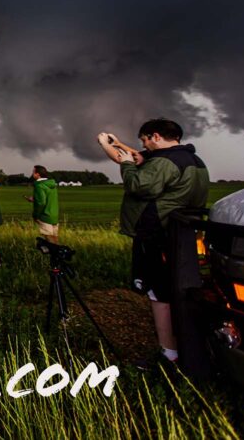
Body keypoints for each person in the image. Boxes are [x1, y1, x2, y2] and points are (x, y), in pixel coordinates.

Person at [97, 118, 210, 369]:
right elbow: (140, 157)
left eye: (145, 140)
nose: (143, 146)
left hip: (158, 234)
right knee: (181, 291)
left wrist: (126, 165)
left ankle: (170, 354)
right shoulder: (191, 160)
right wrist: (115, 144)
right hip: (182, 236)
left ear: (156, 136)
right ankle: (190, 345)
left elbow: (139, 185)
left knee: (159, 293)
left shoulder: (163, 162)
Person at [24, 165, 60, 243]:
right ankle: (58, 254)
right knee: (55, 239)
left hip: (45, 215)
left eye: (33, 172)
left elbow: (41, 203)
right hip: (54, 215)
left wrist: (35, 215)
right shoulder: (51, 184)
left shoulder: (39, 185)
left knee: (50, 240)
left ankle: (55, 254)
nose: (32, 174)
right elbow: (47, 198)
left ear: (38, 174)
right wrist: (34, 199)